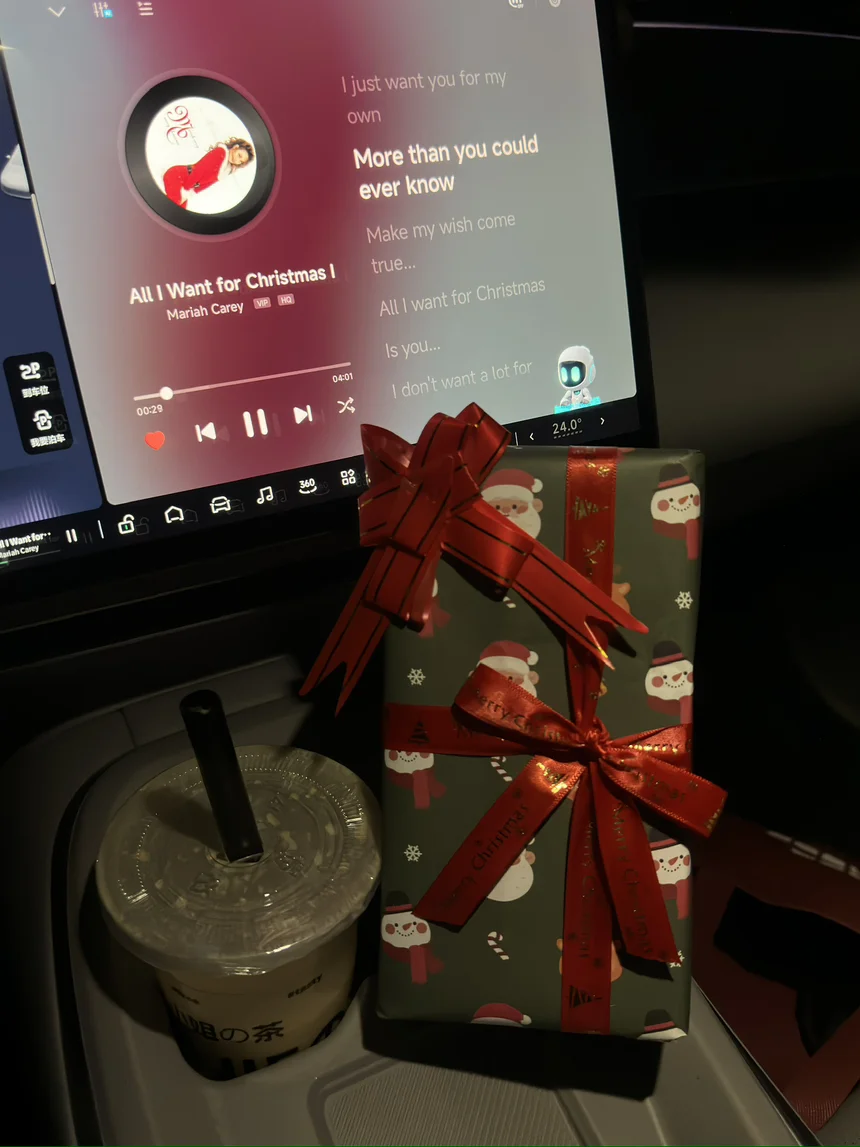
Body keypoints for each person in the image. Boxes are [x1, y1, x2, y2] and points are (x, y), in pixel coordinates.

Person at [162, 137, 254, 210]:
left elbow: (206, 184)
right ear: (235, 147)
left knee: (180, 212)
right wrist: (186, 189)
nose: (237, 160)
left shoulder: (225, 170)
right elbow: (199, 170)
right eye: (239, 155)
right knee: (174, 206)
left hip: (188, 184)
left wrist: (189, 193)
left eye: (241, 161)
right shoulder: (220, 152)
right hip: (178, 176)